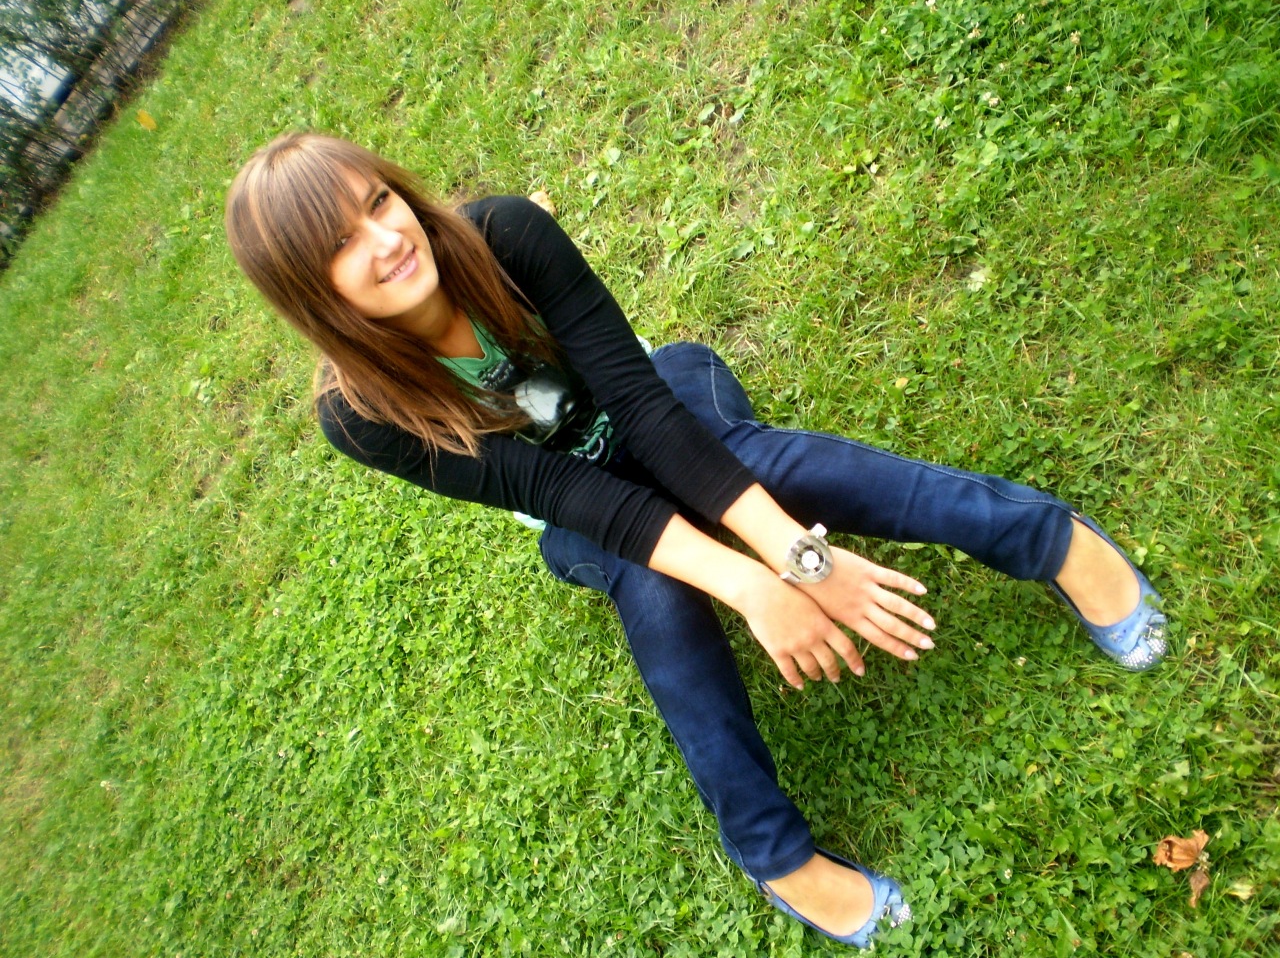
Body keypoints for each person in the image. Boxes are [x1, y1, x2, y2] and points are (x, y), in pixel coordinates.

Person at [224, 132, 1167, 949]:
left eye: (379, 203)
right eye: (342, 246)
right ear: (311, 293)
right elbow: (562, 489)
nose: (386, 239)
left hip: (666, 404)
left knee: (759, 464)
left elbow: (644, 411)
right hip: (576, 512)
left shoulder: (504, 235)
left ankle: (1050, 540)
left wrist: (800, 558)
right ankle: (776, 855)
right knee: (656, 588)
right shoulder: (362, 416)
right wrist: (755, 587)